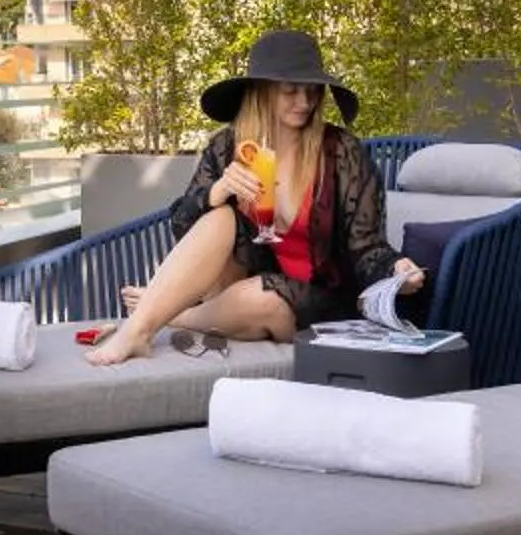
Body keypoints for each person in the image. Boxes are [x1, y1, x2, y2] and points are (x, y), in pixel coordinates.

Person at [84, 29, 421, 366]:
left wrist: (393, 268)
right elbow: (183, 227)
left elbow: (366, 246)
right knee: (220, 216)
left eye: (312, 91)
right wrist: (217, 192)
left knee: (263, 298)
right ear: (262, 90)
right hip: (234, 285)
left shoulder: (341, 153)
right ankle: (139, 331)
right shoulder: (228, 146)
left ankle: (168, 316)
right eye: (290, 91)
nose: (304, 102)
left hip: (313, 298)